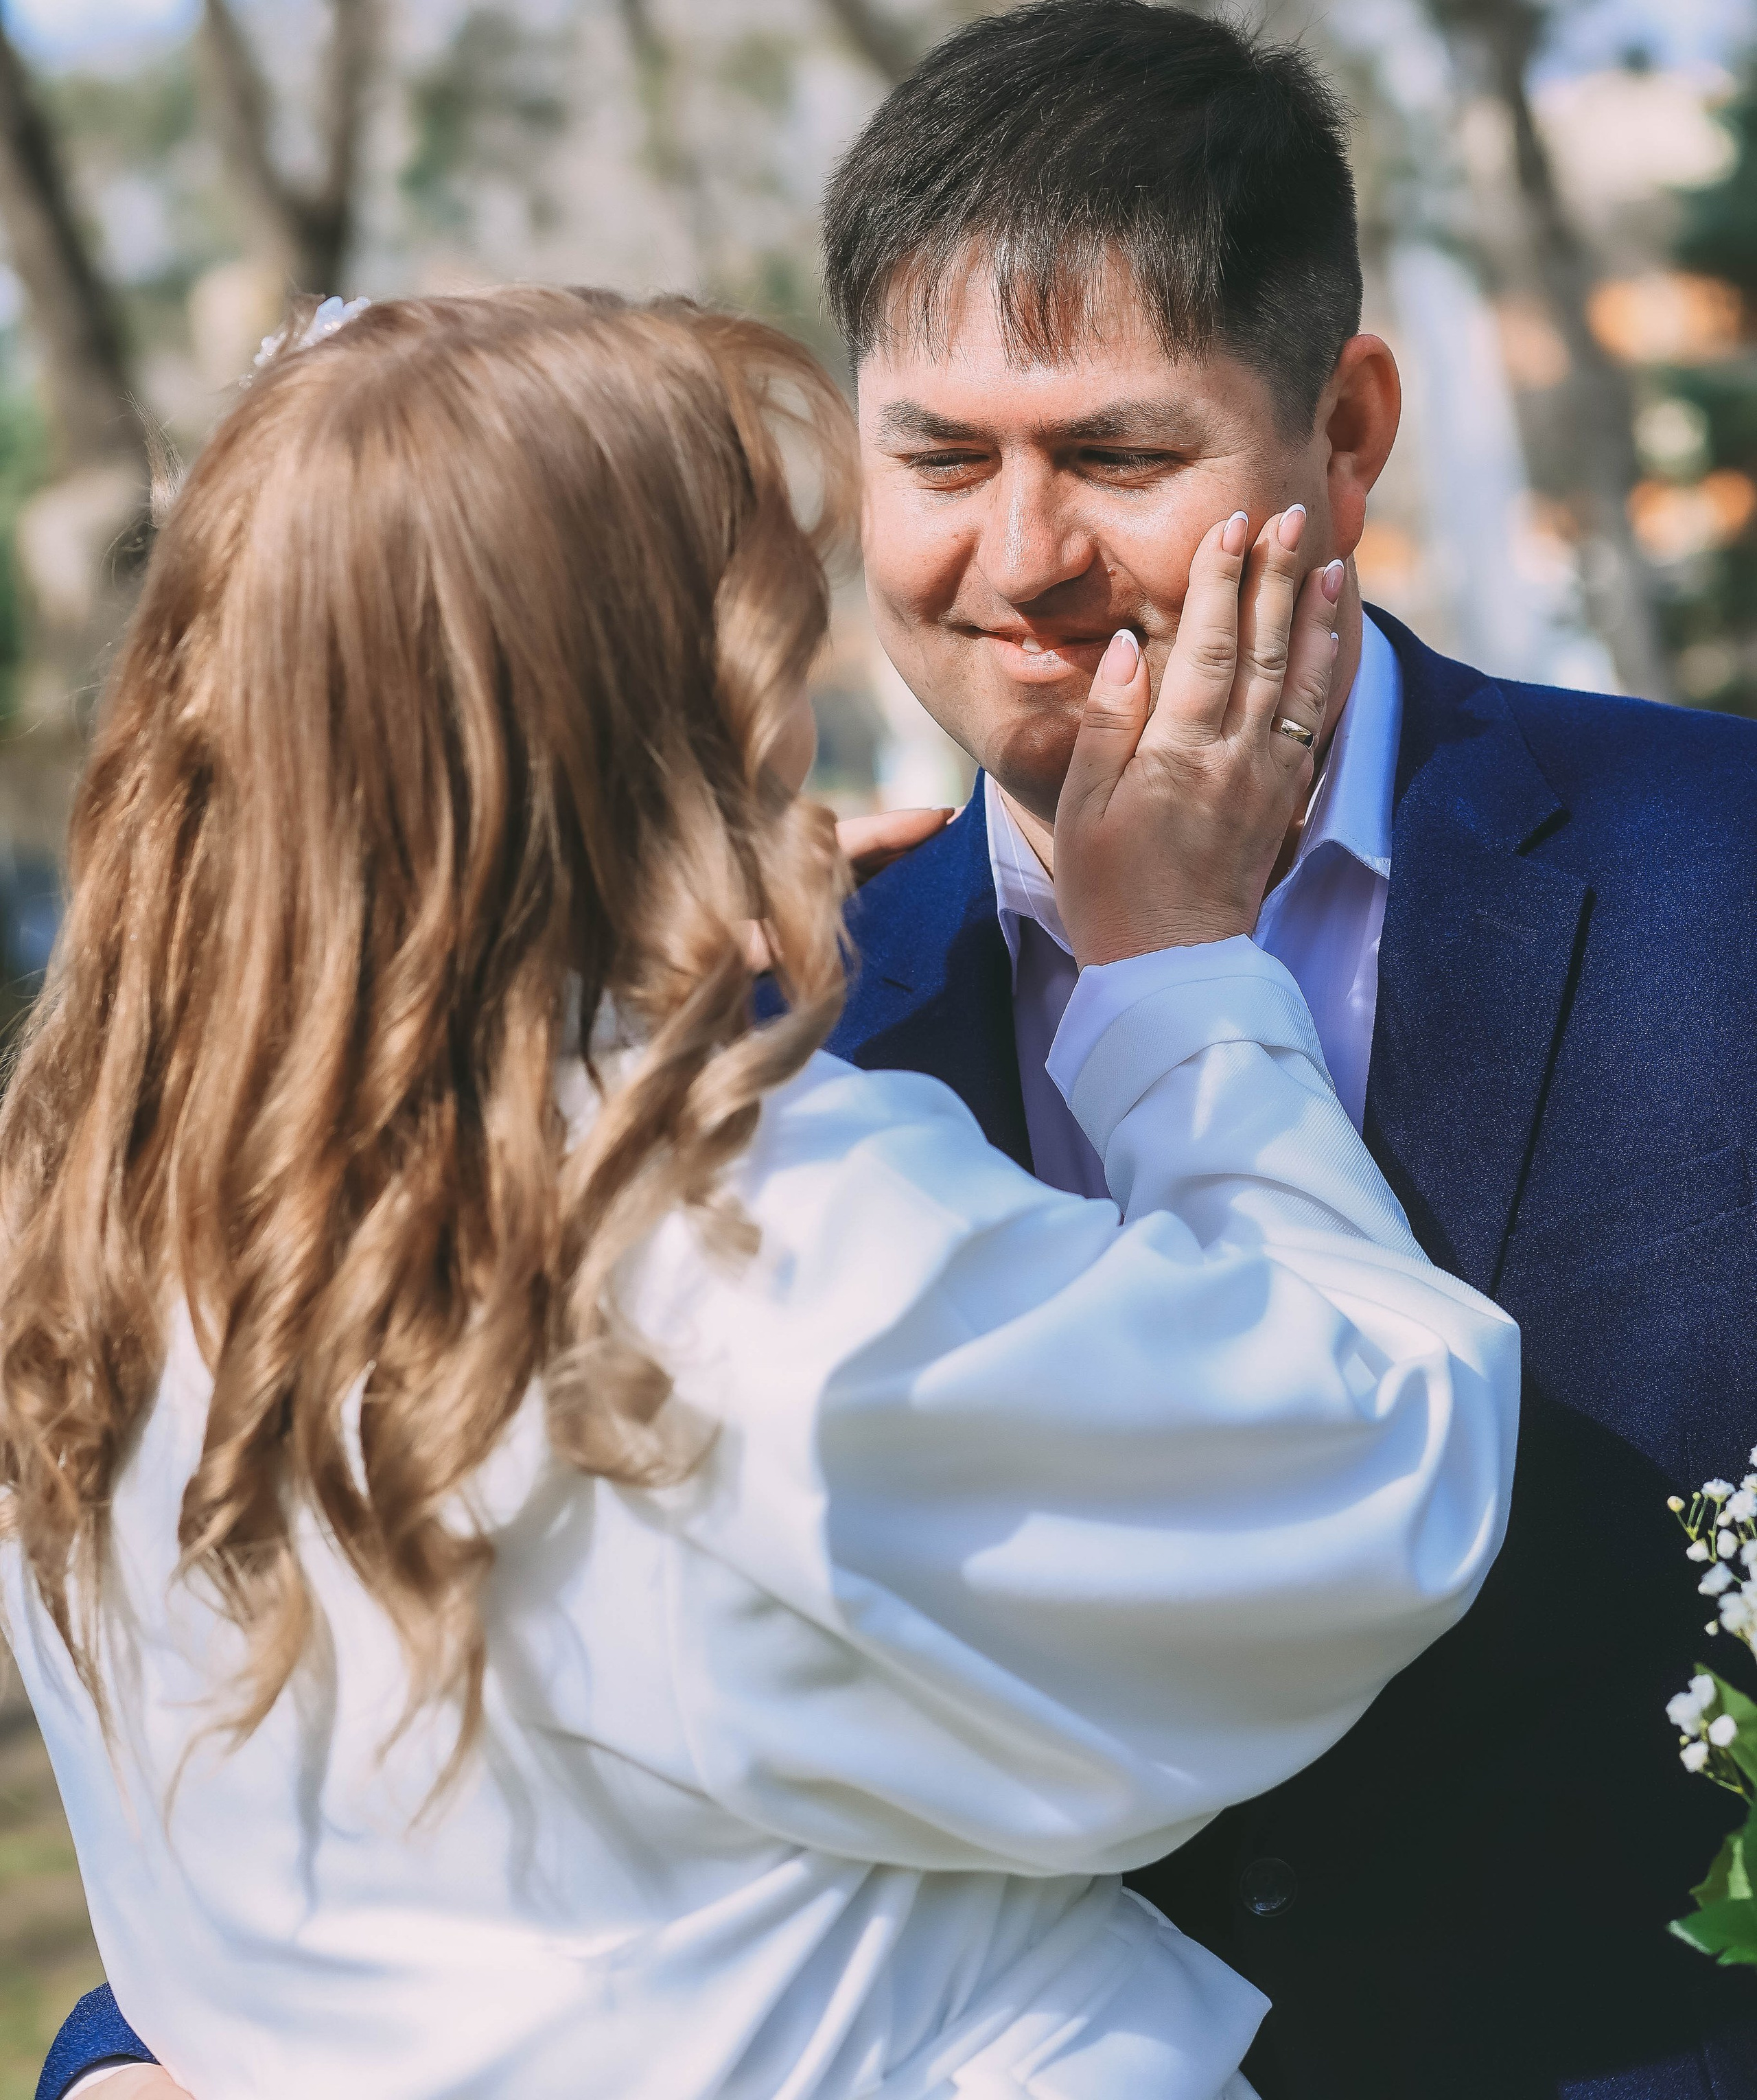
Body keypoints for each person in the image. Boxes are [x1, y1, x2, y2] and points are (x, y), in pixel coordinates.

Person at [6, 288, 1515, 2100]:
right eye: (757, 653)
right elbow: (1368, 1459)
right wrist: (1176, 984)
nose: (791, 717)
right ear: (632, 715)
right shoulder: (744, 1253)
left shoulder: (99, 1214)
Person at [808, 0, 1757, 2100]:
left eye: (1119, 457)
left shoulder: (1726, 872)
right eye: (942, 457)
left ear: (1344, 431)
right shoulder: (787, 1021)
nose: (1023, 557)